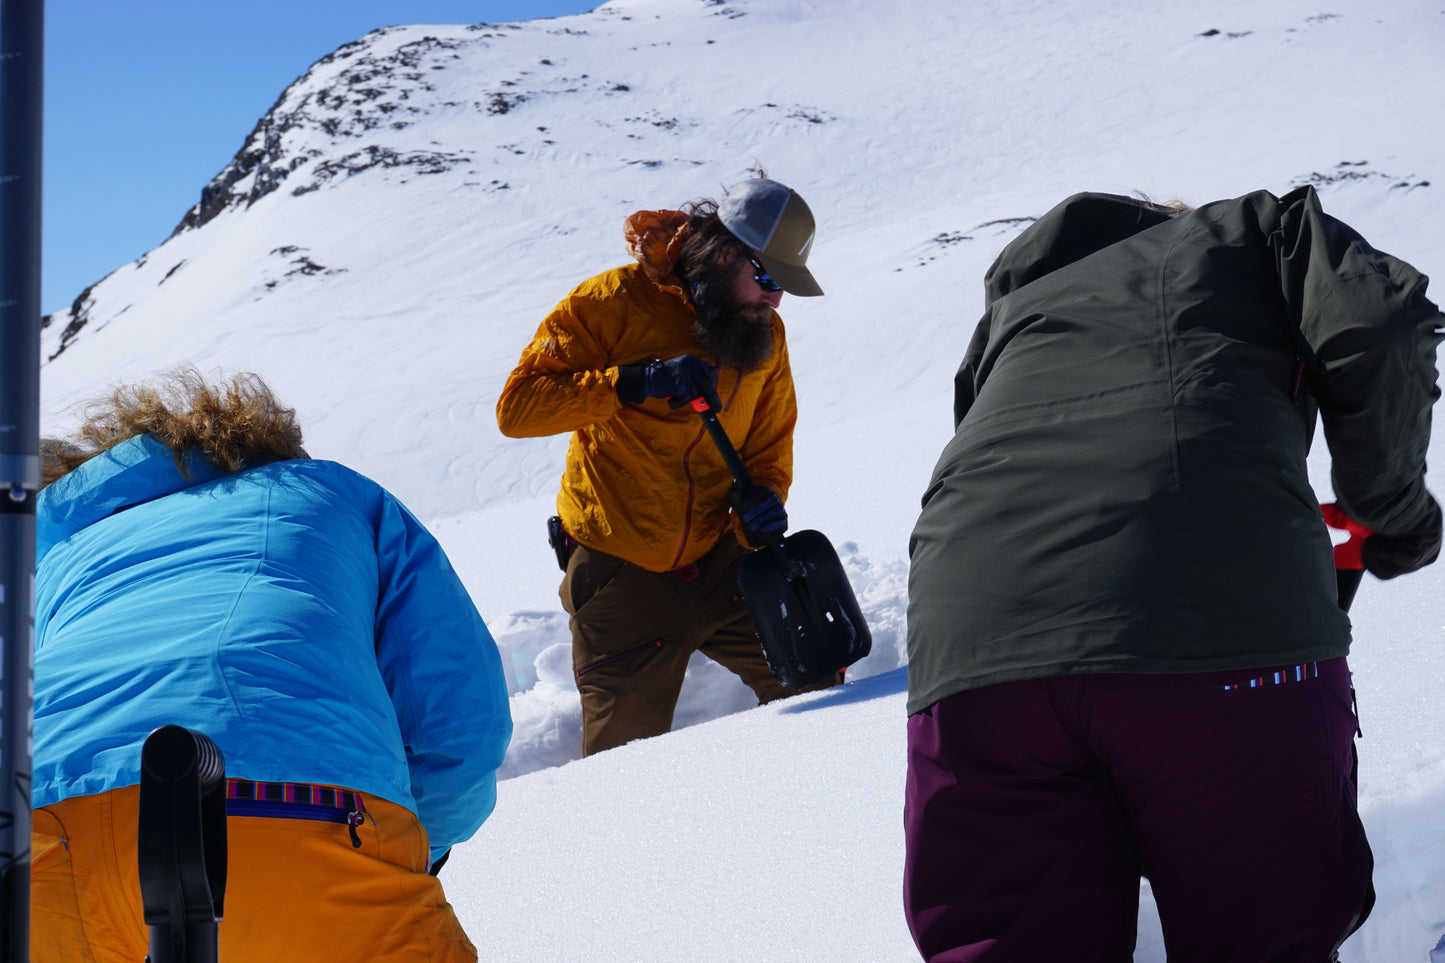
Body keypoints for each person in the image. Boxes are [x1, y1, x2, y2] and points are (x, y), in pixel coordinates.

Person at [904, 187, 1443, 961]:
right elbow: (1380, 322)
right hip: (1215, 642)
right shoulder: (1254, 235)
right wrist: (1390, 506)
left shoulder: (1019, 310)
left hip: (972, 641)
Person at [30, 369, 512, 962]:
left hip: (40, 840)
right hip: (279, 807)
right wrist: (413, 842)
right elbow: (456, 718)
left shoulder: (62, 556)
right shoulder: (335, 494)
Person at [497, 175, 840, 756]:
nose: (775, 299)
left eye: (784, 286)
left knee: (823, 694)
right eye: (768, 279)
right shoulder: (609, 304)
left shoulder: (763, 333)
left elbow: (769, 443)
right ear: (726, 251)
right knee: (619, 768)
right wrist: (634, 382)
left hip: (724, 560)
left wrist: (763, 502)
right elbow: (518, 408)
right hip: (621, 575)